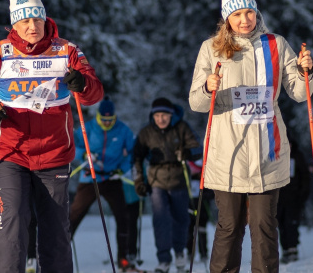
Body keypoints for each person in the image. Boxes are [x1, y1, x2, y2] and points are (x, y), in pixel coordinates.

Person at [0, 0, 103, 272]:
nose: (32, 26)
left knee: (55, 228)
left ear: (45, 18)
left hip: (54, 153)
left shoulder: (66, 51)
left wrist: (83, 84)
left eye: (36, 19)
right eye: (25, 20)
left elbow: (95, 93)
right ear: (16, 22)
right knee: (13, 218)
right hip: (10, 152)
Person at [188, 0, 313, 273]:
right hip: (227, 157)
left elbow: (299, 92)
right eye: (236, 14)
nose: (244, 20)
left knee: (265, 228)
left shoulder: (276, 44)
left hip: (267, 154)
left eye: (248, 12)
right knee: (229, 228)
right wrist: (208, 87)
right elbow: (196, 102)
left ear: (256, 11)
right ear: (226, 18)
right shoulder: (211, 49)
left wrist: (305, 71)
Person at [68, 96, 138, 271]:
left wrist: (121, 169)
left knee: (124, 217)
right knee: (74, 216)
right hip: (90, 178)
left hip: (112, 178)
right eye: (103, 120)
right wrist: (84, 155)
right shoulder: (88, 127)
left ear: (114, 117)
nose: (107, 123)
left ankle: (124, 258)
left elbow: (132, 153)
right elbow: (72, 146)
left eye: (110, 120)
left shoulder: (123, 130)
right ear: (98, 117)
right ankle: (58, 254)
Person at [132, 98, 201, 273]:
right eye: (157, 115)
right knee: (160, 220)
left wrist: (187, 152)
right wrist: (139, 180)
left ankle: (179, 252)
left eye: (164, 115)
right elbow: (136, 158)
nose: (161, 119)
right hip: (157, 181)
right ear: (152, 116)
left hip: (179, 180)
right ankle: (163, 259)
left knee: (181, 219)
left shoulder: (182, 127)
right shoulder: (146, 132)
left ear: (171, 115)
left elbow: (197, 149)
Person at [276, 136, 310, 263]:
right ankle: (285, 248)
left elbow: (305, 176)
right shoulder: (276, 155)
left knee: (292, 223)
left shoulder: (297, 156)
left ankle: (292, 248)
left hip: (294, 198)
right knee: (281, 224)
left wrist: (303, 195)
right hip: (279, 198)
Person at [185, 158, 214, 264]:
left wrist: (207, 195)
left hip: (202, 203)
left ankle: (203, 253)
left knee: (201, 228)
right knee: (189, 229)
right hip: (189, 203)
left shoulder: (205, 166)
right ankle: (189, 253)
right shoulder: (187, 166)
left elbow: (211, 189)